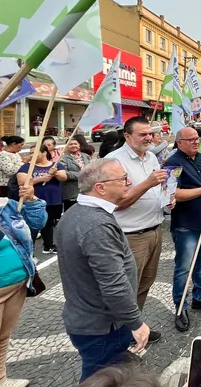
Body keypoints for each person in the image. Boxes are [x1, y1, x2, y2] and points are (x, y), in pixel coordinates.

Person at [55, 159, 154, 382]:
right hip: (102, 326)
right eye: (122, 179)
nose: (128, 182)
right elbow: (114, 285)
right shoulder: (96, 225)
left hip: (89, 319)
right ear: (100, 187)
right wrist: (135, 323)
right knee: (102, 378)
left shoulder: (76, 213)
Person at [0, 169, 45, 387]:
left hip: (16, 287)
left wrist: (31, 197)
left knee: (3, 337)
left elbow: (37, 223)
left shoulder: (5, 207)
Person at [106, 118, 173, 344]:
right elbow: (115, 202)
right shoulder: (114, 162)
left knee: (144, 283)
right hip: (130, 236)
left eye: (149, 134)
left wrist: (167, 201)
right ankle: (117, 338)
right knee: (126, 290)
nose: (148, 138)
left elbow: (157, 190)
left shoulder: (151, 156)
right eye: (142, 134)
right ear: (127, 136)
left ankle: (135, 328)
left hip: (154, 230)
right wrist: (148, 182)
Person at [163, 127, 201, 332]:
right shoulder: (173, 163)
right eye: (191, 140)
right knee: (183, 268)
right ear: (179, 142)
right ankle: (181, 307)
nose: (196, 142)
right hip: (186, 225)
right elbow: (173, 194)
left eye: (197, 139)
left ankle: (200, 298)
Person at [16, 145, 68, 253]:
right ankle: (30, 251)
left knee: (48, 223)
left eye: (34, 152)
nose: (32, 155)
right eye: (30, 152)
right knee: (32, 226)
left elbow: (64, 177)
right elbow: (22, 181)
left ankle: (48, 245)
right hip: (33, 201)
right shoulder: (26, 167)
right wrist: (41, 179)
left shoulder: (56, 165)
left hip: (53, 200)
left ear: (44, 153)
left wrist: (55, 173)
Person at [60, 138, 92, 212]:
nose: (73, 146)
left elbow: (91, 169)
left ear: (79, 146)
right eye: (70, 144)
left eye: (75, 144)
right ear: (66, 146)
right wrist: (82, 174)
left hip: (87, 191)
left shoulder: (86, 156)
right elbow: (65, 173)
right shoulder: (63, 159)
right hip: (72, 193)